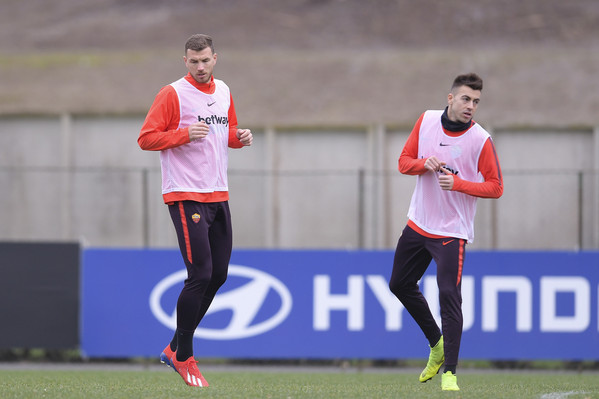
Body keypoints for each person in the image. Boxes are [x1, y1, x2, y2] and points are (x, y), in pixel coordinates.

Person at [138, 33, 252, 387]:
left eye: (205, 60)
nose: (200, 67)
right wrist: (183, 134)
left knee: (218, 276)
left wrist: (239, 137)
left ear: (215, 59)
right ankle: (184, 354)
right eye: (193, 61)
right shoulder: (172, 93)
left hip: (219, 194)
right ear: (184, 61)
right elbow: (146, 137)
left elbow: (225, 133)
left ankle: (174, 347)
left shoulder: (224, 91)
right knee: (200, 274)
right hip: (186, 194)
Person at [388, 73, 503, 391]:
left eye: (476, 102)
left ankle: (450, 371)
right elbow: (403, 162)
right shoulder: (425, 121)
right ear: (450, 98)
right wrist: (424, 163)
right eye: (466, 99)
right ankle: (436, 343)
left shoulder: (480, 139)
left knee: (449, 297)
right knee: (399, 284)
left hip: (451, 231)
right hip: (418, 223)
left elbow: (496, 187)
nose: (471, 106)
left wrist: (459, 184)